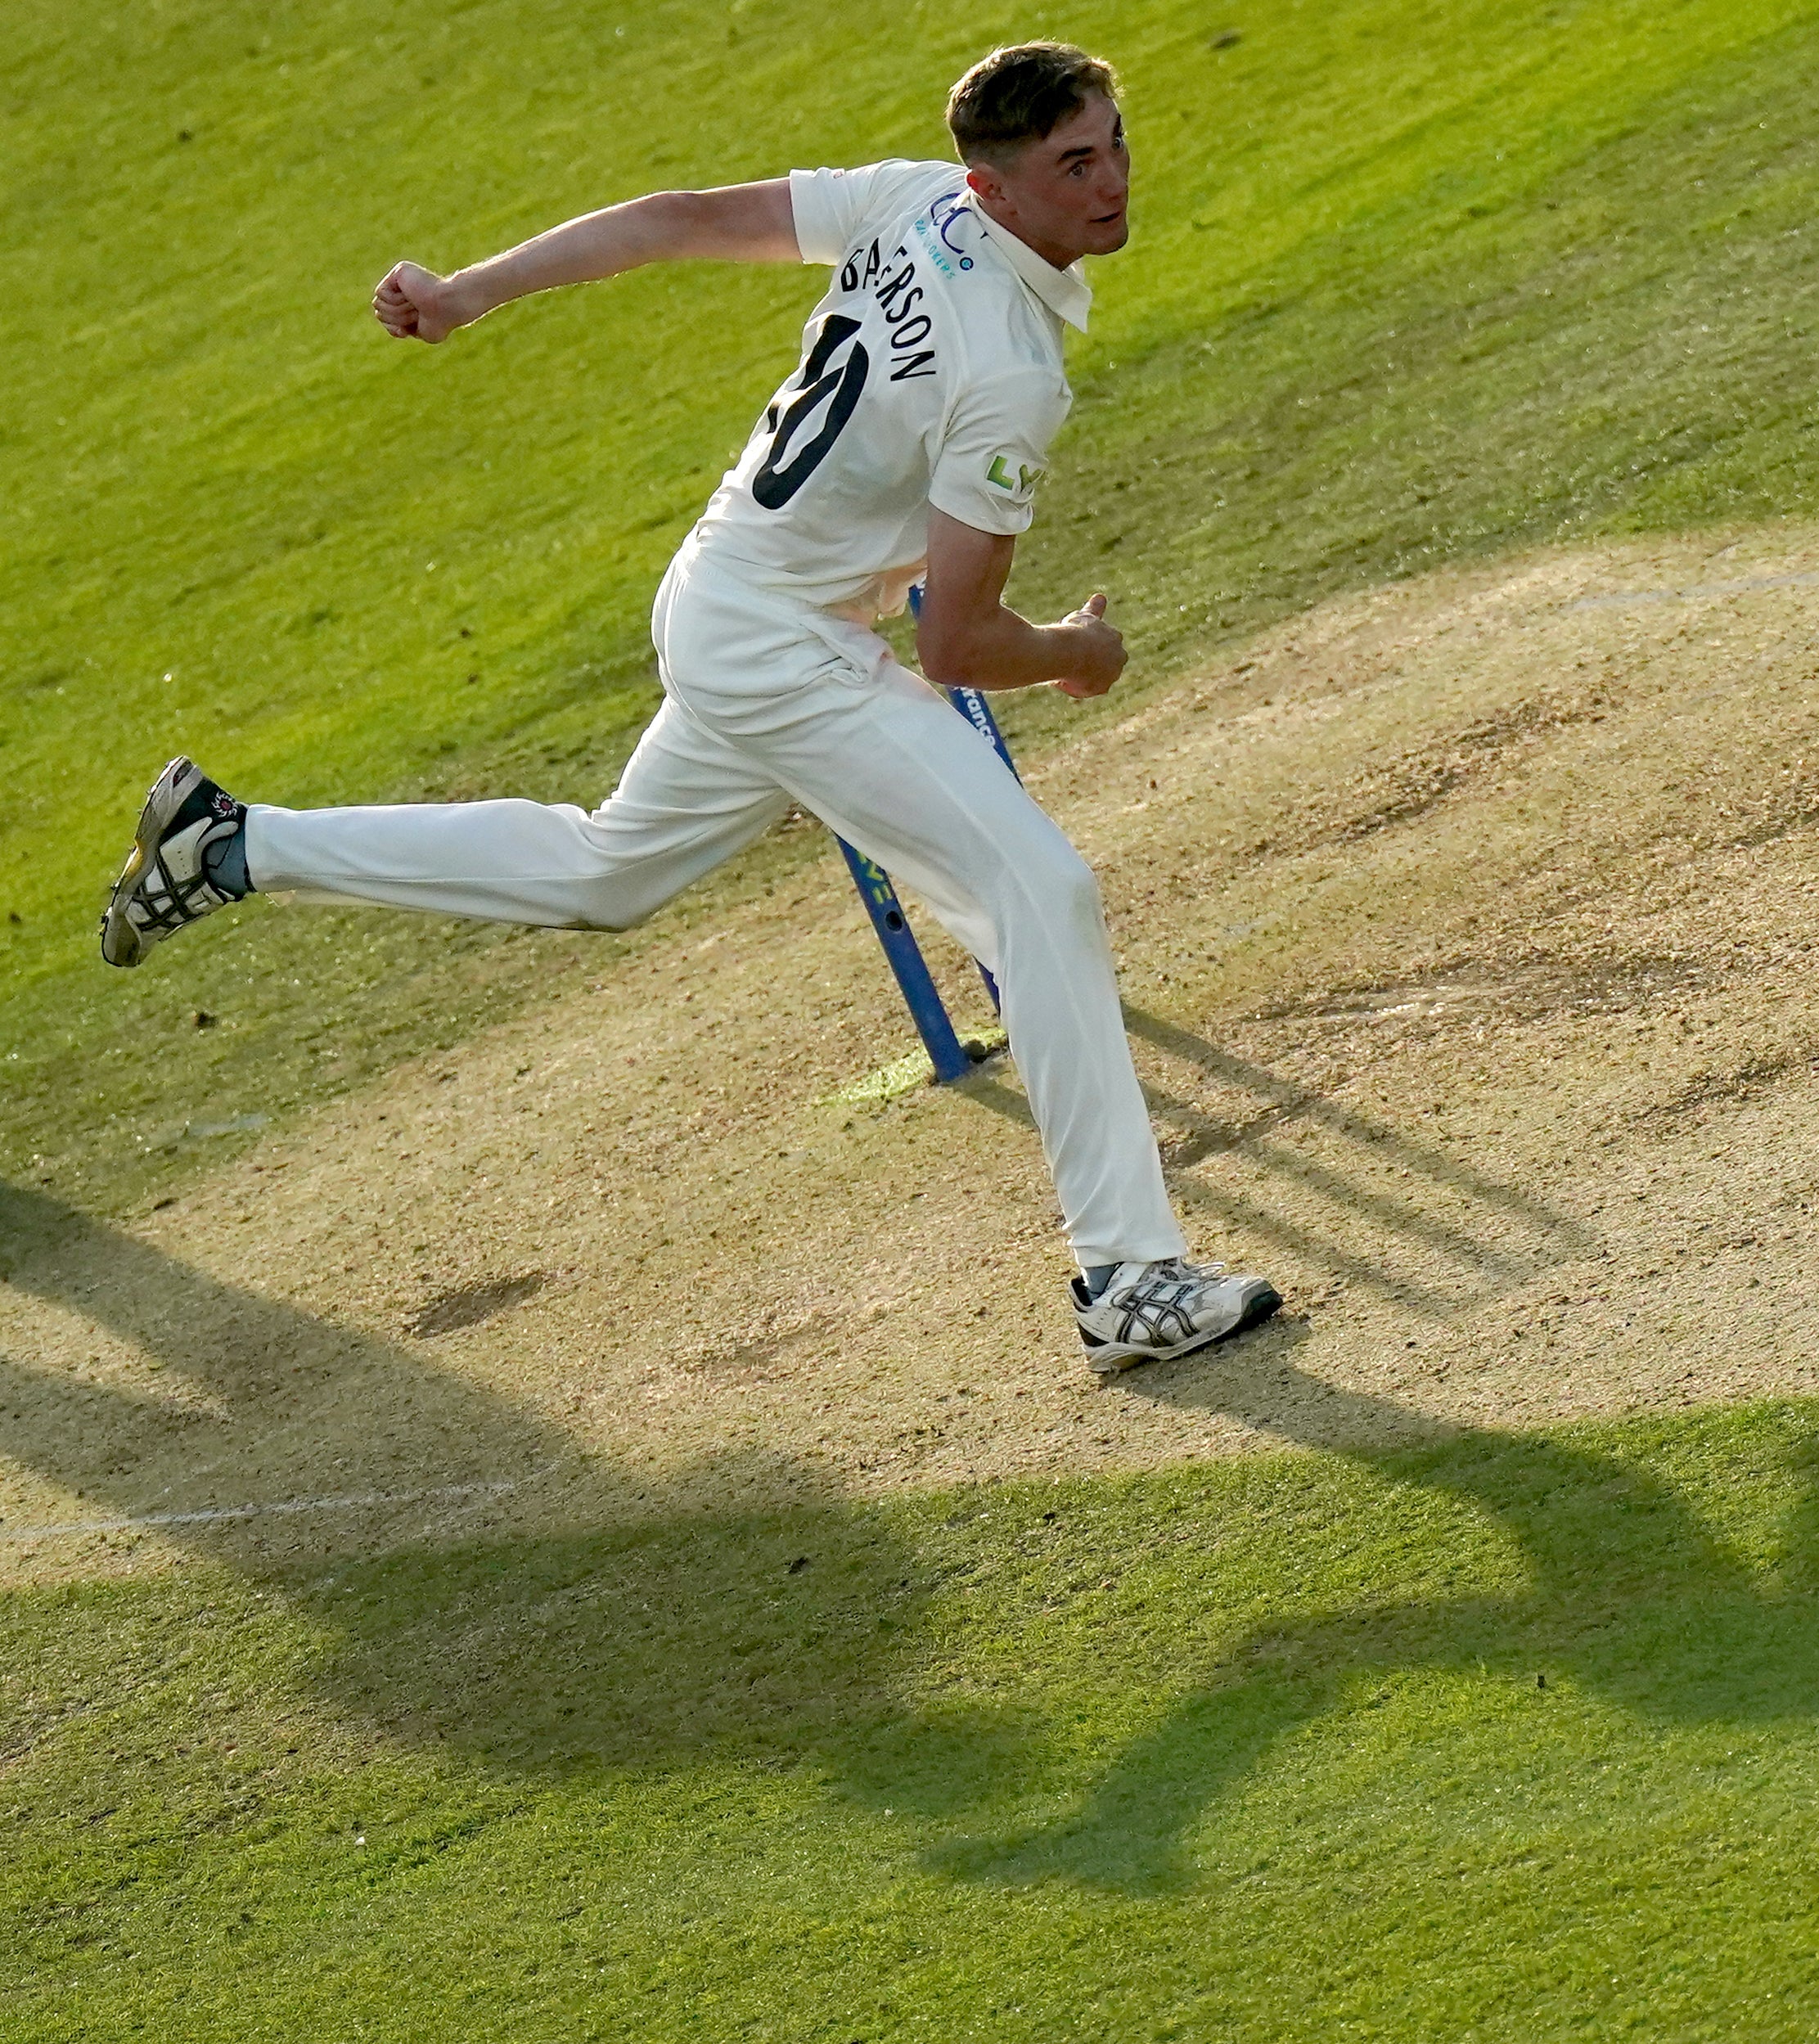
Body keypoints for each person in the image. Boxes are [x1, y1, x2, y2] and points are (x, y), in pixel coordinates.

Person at [95, 41, 1279, 1372]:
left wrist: (469, 292)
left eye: (1116, 143)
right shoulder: (1009, 364)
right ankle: (1128, 1274)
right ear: (992, 189)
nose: (1113, 181)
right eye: (1075, 162)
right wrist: (1077, 651)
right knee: (1042, 894)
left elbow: (676, 222)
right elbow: (951, 641)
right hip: (777, 642)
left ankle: (232, 845)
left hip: (724, 592)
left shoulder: (912, 201)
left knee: (608, 871)